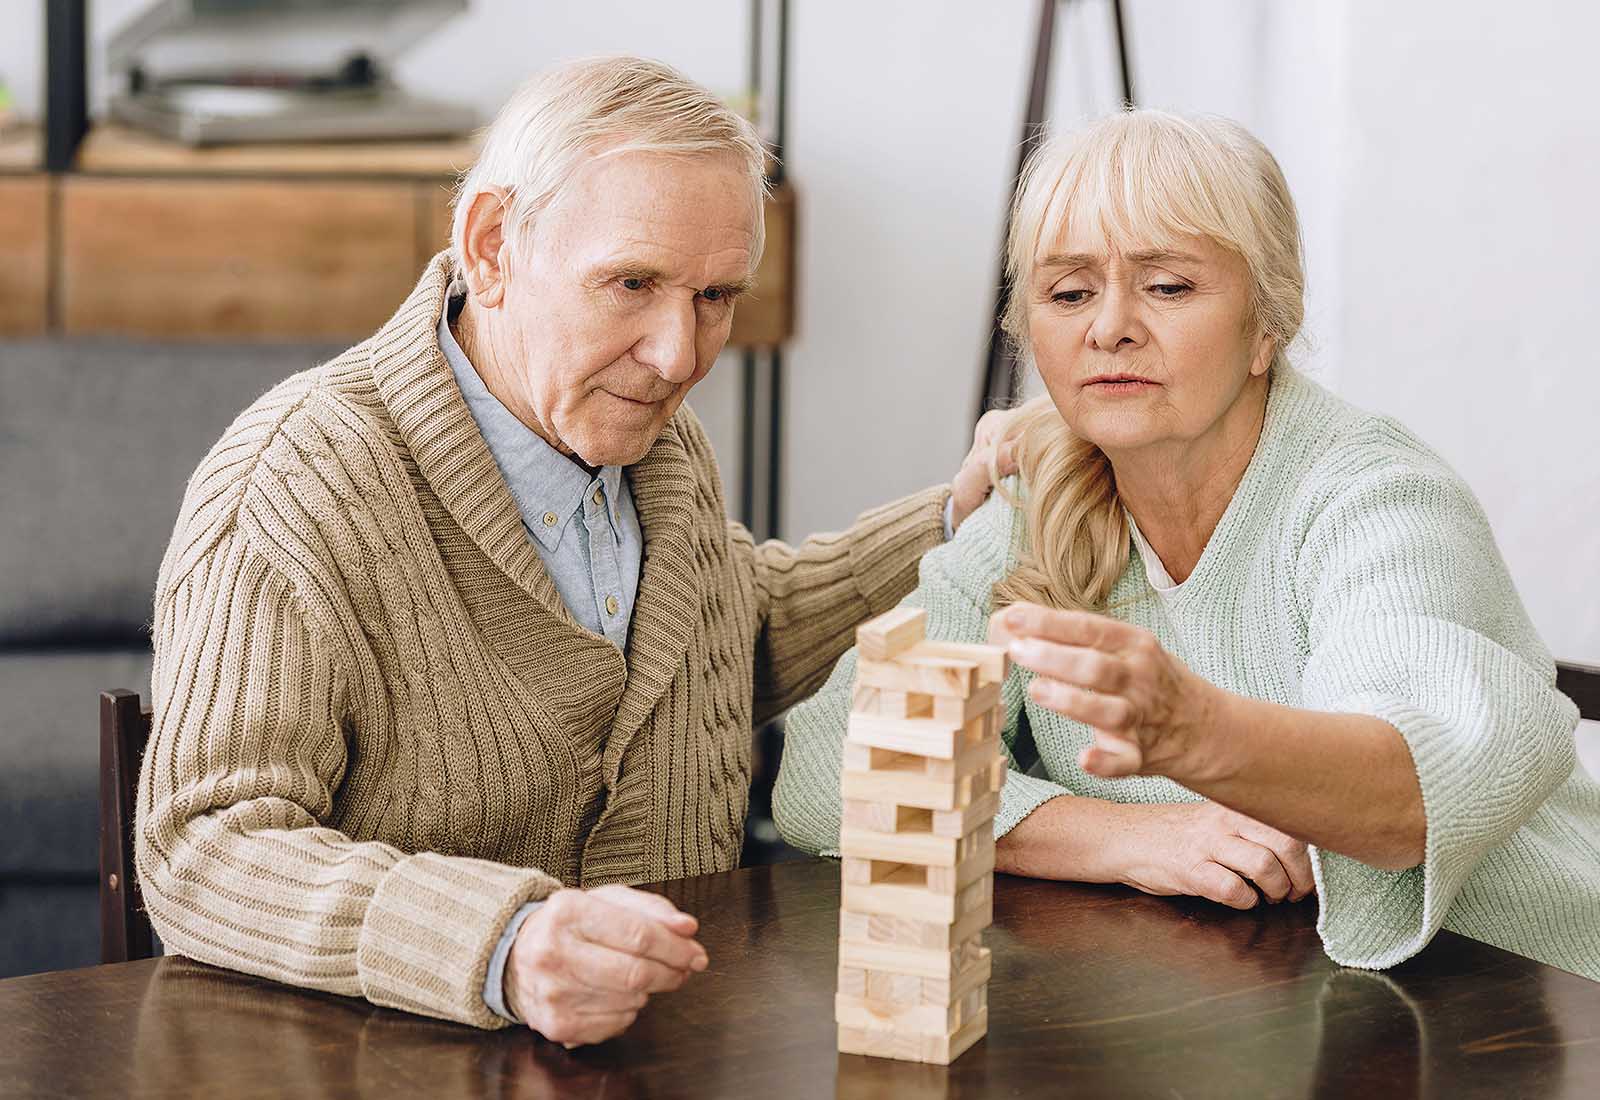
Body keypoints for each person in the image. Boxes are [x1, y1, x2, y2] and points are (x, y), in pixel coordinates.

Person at [135, 56, 1015, 1042]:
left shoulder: (655, 441)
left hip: (675, 1052)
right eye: (631, 282)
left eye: (716, 296)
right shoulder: (297, 482)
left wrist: (952, 513)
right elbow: (204, 848)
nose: (679, 354)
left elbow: (729, 637)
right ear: (493, 246)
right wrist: (502, 942)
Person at [775, 108, 1599, 981]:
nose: (1111, 327)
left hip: (1522, 1002)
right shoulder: (1040, 496)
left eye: (1167, 286)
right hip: (1238, 1009)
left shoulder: (1376, 496)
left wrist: (1195, 733)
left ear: (1267, 324)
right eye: (1069, 292)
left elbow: (1413, 799)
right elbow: (834, 767)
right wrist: (1122, 837)